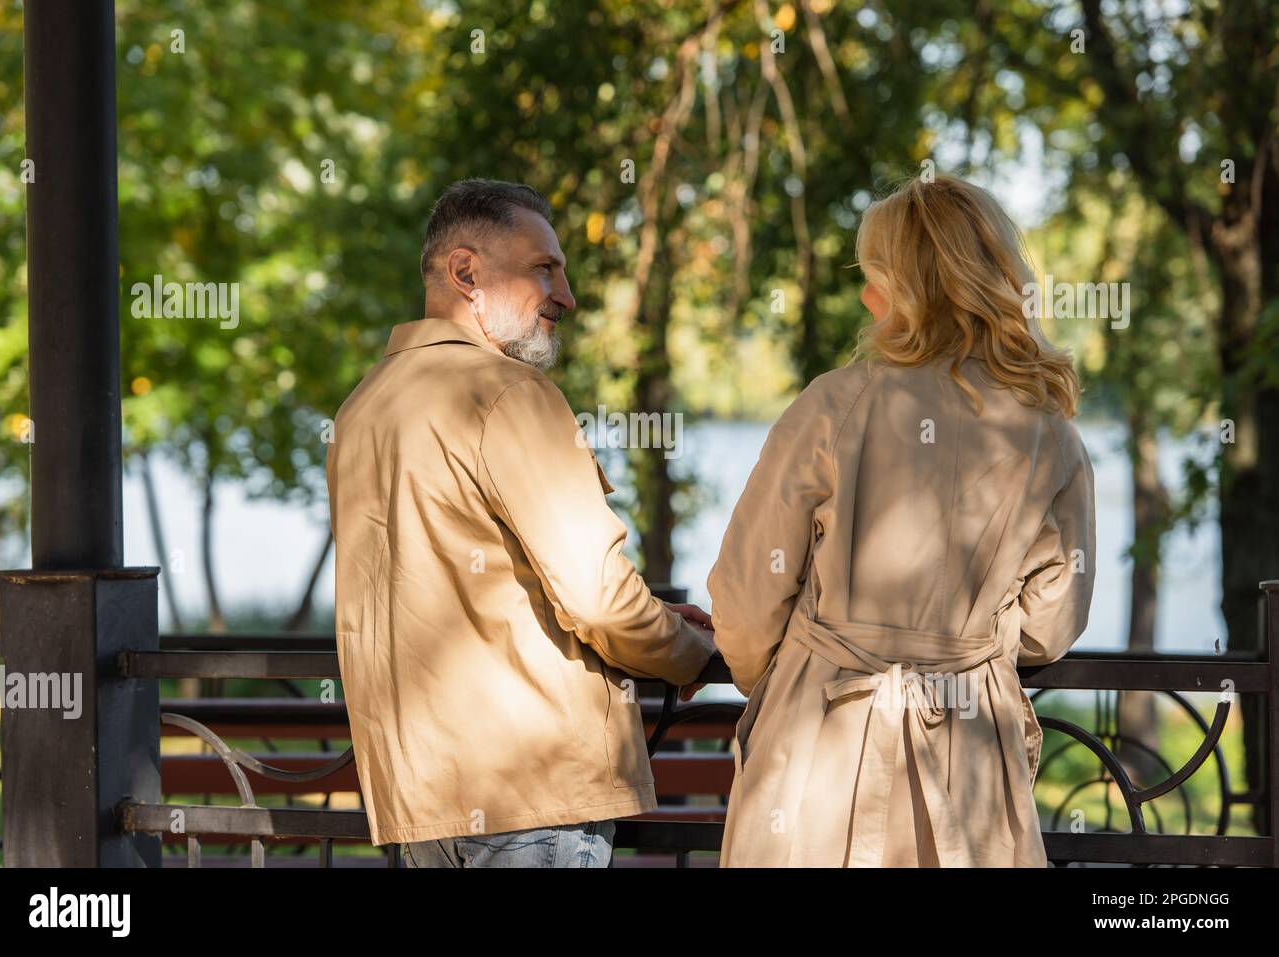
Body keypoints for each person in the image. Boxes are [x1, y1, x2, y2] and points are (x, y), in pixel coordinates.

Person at [708, 174, 1096, 867]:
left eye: (877, 276)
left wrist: (805, 659)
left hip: (819, 743)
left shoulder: (833, 406)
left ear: (916, 283)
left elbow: (744, 599)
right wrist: (971, 637)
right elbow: (1051, 625)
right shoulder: (1049, 435)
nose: (865, 296)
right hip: (970, 755)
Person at [325, 179, 715, 868]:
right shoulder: (510, 393)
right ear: (465, 273)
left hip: (416, 803)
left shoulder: (363, 408)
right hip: (531, 798)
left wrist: (656, 617)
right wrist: (692, 651)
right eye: (545, 268)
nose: (566, 295)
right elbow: (597, 598)